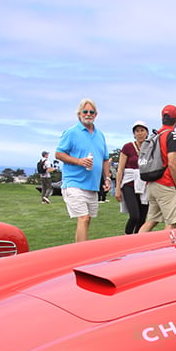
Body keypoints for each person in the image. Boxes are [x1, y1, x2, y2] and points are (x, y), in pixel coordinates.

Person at [55, 97, 111, 242]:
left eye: (91, 112)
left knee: (87, 220)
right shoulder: (71, 132)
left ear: (96, 115)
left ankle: (78, 251)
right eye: (85, 111)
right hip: (74, 183)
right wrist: (79, 161)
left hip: (92, 186)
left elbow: (105, 159)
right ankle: (83, 254)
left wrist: (107, 178)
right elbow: (59, 154)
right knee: (83, 218)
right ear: (79, 114)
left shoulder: (100, 135)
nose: (88, 114)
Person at [139, 105, 176, 233]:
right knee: (171, 223)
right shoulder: (172, 135)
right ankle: (166, 251)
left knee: (151, 220)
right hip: (166, 183)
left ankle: (137, 246)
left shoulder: (156, 135)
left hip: (152, 183)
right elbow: (172, 162)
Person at [114, 120, 150, 234]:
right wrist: (117, 188)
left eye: (142, 130)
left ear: (147, 133)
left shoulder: (150, 147)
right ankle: (127, 237)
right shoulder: (128, 147)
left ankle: (137, 239)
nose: (140, 133)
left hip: (144, 183)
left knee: (142, 217)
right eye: (137, 131)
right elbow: (120, 169)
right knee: (134, 216)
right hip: (129, 183)